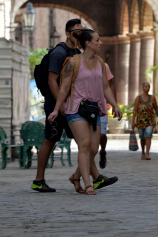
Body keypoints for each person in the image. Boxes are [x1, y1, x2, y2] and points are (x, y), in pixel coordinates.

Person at [48, 30, 122, 195]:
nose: (100, 43)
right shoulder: (73, 63)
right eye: (97, 40)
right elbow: (64, 88)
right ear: (88, 43)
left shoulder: (100, 63)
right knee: (85, 144)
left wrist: (115, 105)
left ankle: (75, 176)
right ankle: (88, 184)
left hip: (94, 109)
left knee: (94, 149)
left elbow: (105, 88)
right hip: (76, 108)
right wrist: (56, 109)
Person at [31, 19, 83, 193]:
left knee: (84, 141)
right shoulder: (60, 53)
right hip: (57, 105)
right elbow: (52, 80)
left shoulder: (77, 52)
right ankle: (38, 180)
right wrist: (59, 105)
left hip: (70, 105)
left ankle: (91, 177)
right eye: (76, 31)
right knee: (50, 140)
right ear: (68, 33)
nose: (79, 34)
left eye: (81, 31)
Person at [132, 82, 158, 160]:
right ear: (142, 88)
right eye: (145, 87)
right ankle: (143, 153)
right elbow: (135, 110)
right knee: (142, 137)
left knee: (148, 136)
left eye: (148, 87)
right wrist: (133, 121)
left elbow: (156, 108)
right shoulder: (138, 98)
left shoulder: (152, 98)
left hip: (150, 121)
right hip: (140, 121)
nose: (147, 88)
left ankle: (147, 154)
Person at [99, 70, 116, 169]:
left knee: (102, 134)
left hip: (102, 107)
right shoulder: (80, 63)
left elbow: (110, 86)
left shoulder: (103, 66)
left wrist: (114, 104)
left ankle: (102, 151)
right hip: (87, 108)